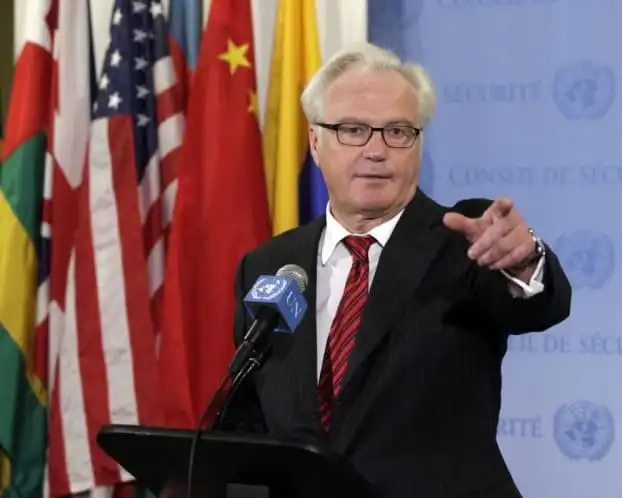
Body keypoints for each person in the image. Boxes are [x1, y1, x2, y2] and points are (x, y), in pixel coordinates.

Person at [226, 43, 571, 498]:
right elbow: (252, 417)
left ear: (418, 143)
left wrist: (524, 260)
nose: (376, 150)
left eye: (397, 132)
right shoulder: (268, 265)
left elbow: (539, 307)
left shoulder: (466, 240)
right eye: (353, 130)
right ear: (315, 142)